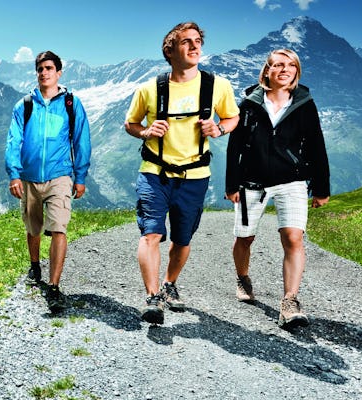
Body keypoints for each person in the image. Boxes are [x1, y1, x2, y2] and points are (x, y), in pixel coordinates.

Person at [123, 22, 240, 324]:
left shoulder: (217, 86)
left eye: (198, 41)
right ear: (170, 50)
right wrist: (146, 131)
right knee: (151, 233)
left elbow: (232, 116)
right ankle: (152, 298)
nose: (194, 46)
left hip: (195, 175)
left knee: (183, 240)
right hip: (154, 173)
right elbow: (131, 124)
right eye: (186, 41)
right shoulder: (149, 89)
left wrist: (220, 128)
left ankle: (169, 283)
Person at [225, 48, 330, 329]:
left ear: (296, 72)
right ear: (267, 71)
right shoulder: (249, 104)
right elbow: (234, 146)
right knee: (244, 238)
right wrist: (231, 184)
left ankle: (290, 301)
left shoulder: (305, 104)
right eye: (279, 65)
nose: (285, 70)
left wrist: (321, 187)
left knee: (293, 238)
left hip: (292, 181)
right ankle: (243, 278)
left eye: (291, 66)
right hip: (252, 183)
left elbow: (317, 146)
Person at [5, 50, 92, 314]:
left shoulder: (71, 104)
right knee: (33, 228)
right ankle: (34, 266)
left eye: (49, 68)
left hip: (60, 176)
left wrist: (80, 176)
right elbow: (14, 140)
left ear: (59, 72)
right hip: (29, 177)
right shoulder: (25, 105)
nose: (44, 73)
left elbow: (81, 140)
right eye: (40, 69)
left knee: (58, 229)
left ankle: (54, 286)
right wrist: (14, 174)